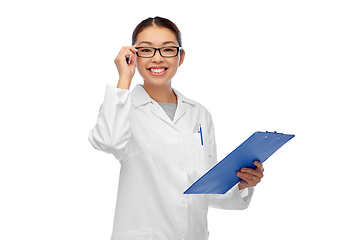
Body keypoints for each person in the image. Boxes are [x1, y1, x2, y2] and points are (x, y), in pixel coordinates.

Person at [88, 16, 264, 240]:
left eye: (168, 50)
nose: (158, 58)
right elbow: (108, 141)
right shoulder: (121, 107)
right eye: (147, 50)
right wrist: (124, 77)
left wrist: (242, 183)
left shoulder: (199, 113)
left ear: (180, 57)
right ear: (133, 56)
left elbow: (206, 187)